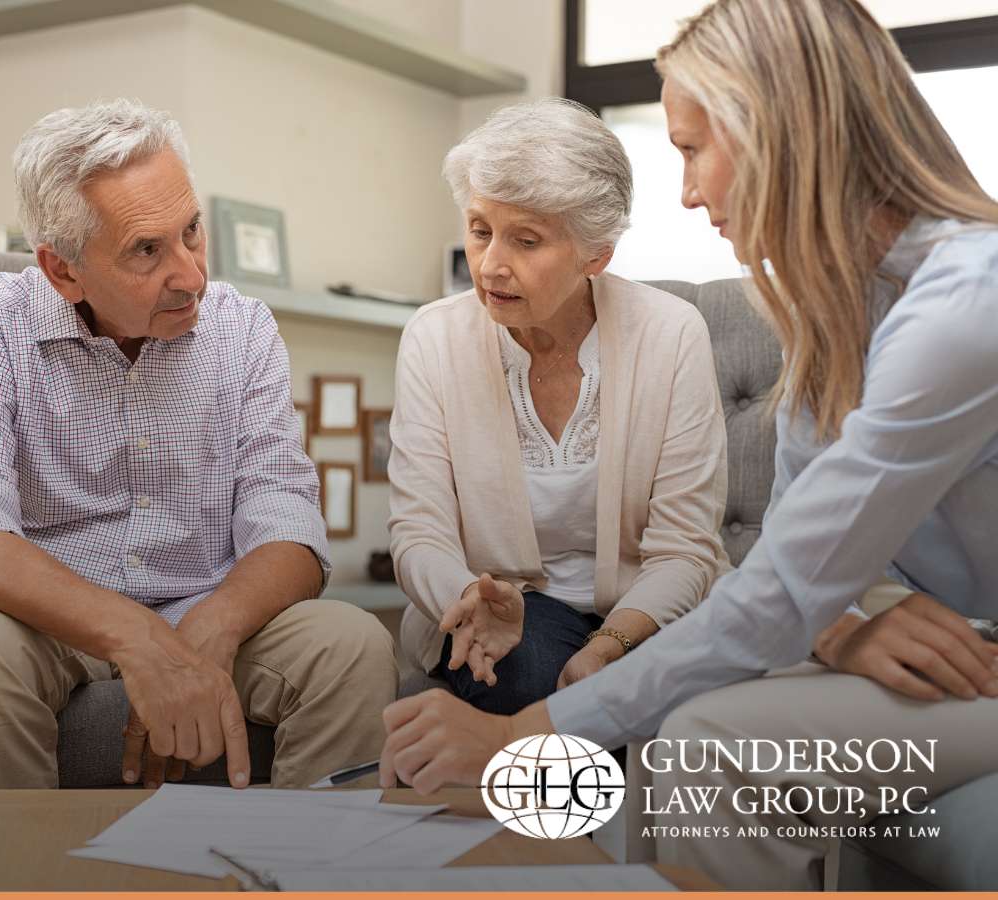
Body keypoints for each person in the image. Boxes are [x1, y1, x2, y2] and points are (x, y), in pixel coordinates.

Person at [380, 0, 998, 888]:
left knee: (707, 745)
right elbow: (793, 566)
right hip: (964, 653)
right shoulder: (839, 314)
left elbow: (777, 588)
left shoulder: (966, 302)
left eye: (690, 148)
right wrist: (847, 624)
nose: (687, 191)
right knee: (688, 729)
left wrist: (522, 744)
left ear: (777, 133)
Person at [0, 99, 397, 790]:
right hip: (36, 625)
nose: (192, 274)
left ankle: (311, 881)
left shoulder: (244, 330)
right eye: (146, 250)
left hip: (202, 605)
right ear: (62, 270)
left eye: (192, 231)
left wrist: (211, 631)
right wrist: (140, 644)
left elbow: (289, 526)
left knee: (351, 645)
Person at [388, 98, 729, 715]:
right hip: (504, 613)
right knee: (526, 669)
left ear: (595, 254)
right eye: (480, 230)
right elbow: (419, 531)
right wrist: (472, 598)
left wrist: (610, 643)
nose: (490, 265)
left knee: (683, 685)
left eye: (526, 240)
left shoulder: (672, 333)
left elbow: (685, 548)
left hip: (647, 608)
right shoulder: (434, 337)